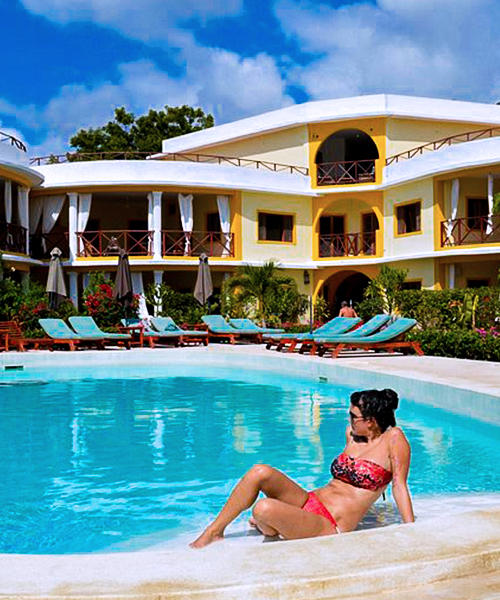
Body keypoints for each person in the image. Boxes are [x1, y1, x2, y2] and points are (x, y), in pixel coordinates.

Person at [190, 389, 414, 548]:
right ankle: (214, 531)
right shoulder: (352, 435)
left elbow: (399, 486)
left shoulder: (393, 438)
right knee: (260, 471)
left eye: (353, 416)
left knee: (263, 508)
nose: (349, 419)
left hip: (330, 523)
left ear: (371, 421)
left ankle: (269, 523)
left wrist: (412, 530)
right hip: (309, 501)